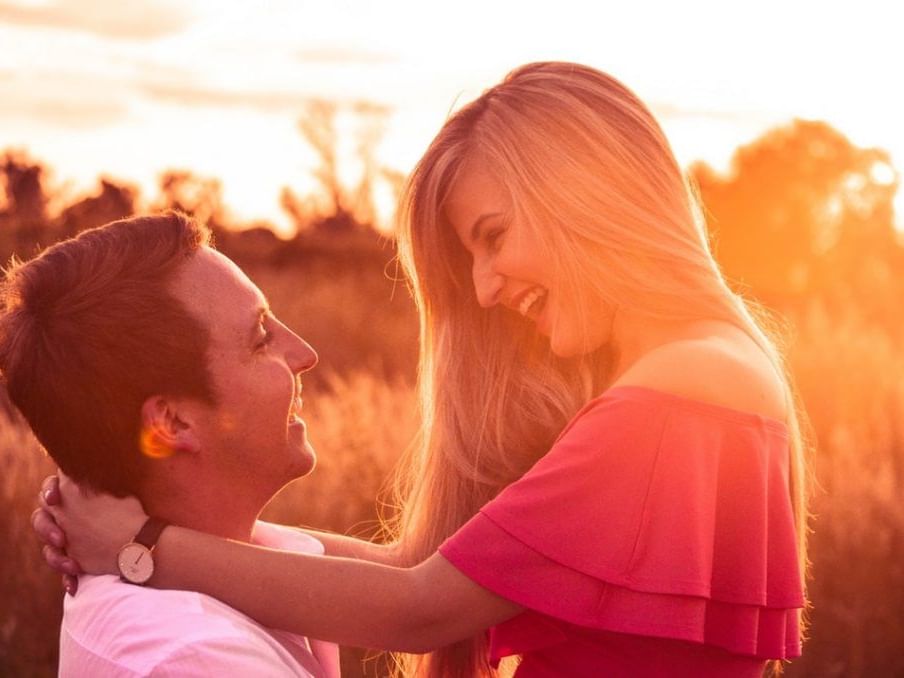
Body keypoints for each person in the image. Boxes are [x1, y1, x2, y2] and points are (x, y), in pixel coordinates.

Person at [31, 62, 809, 677]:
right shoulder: (716, 371)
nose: (485, 287)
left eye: (494, 235)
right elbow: (417, 567)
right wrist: (177, 530)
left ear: (585, 193)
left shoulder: (677, 395)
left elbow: (415, 608)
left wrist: (142, 546)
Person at [2, 213, 341, 677]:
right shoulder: (194, 658)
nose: (305, 354)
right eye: (261, 338)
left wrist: (142, 545)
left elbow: (423, 572)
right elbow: (429, 599)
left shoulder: (222, 559)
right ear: (173, 421)